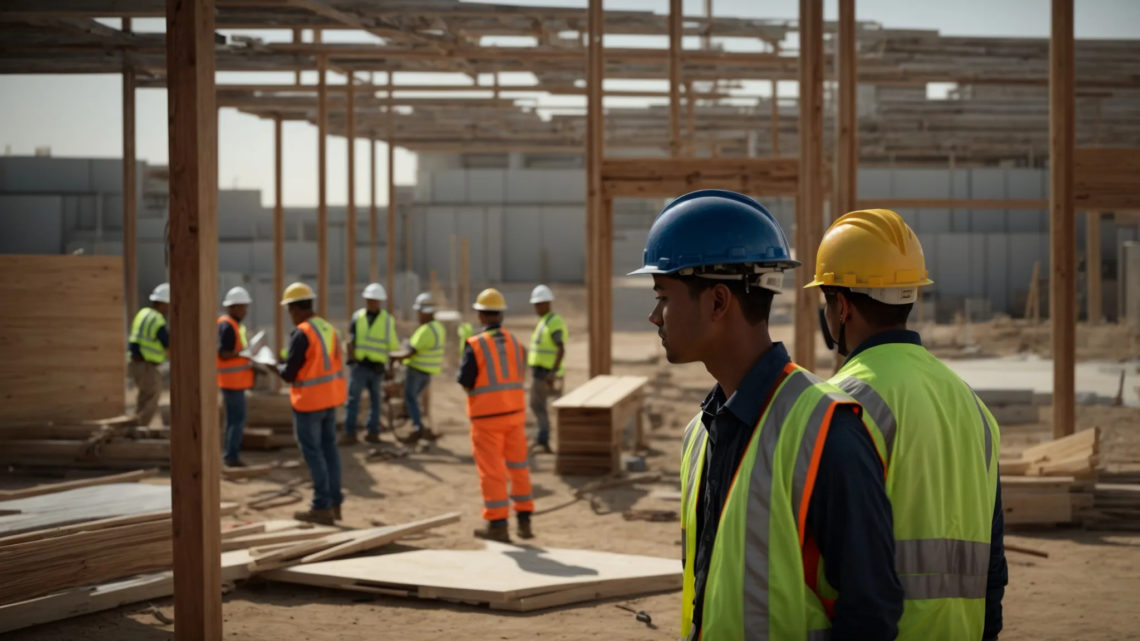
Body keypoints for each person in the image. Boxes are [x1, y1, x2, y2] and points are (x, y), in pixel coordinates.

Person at [630, 190, 903, 640]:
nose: (654, 316)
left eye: (663, 296)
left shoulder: (827, 431)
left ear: (718, 302)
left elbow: (870, 614)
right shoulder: (701, 433)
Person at [805, 208, 1006, 641]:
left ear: (841, 306)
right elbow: (993, 569)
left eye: (826, 299)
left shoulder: (840, 407)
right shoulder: (973, 407)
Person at [457, 288, 535, 543]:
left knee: (492, 472)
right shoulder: (515, 342)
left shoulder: (476, 345)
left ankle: (498, 525)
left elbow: (466, 380)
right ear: (500, 314)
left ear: (480, 315)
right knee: (519, 467)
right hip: (514, 414)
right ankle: (525, 522)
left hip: (486, 419)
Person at [276, 282, 347, 525]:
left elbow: (289, 374)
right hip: (330, 400)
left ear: (295, 308)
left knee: (314, 453)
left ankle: (321, 506)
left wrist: (272, 366)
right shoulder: (328, 328)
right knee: (330, 451)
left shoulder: (302, 333)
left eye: (289, 310)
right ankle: (334, 503)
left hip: (309, 403)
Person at [344, 282, 399, 444]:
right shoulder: (357, 317)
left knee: (376, 402)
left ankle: (373, 432)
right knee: (354, 400)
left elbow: (392, 346)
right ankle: (350, 433)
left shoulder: (388, 320)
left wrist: (390, 368)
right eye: (369, 300)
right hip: (360, 366)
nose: (371, 303)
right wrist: (351, 359)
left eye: (374, 300)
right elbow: (351, 340)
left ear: (380, 302)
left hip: (377, 368)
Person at [396, 293, 445, 444]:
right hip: (427, 371)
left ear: (425, 312)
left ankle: (418, 428)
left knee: (410, 398)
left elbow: (411, 351)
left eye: (419, 312)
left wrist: (395, 357)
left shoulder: (426, 330)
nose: (418, 315)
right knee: (413, 399)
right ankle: (417, 425)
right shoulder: (438, 327)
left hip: (417, 369)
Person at [525, 284, 567, 454]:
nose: (536, 307)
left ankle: (543, 440)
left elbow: (561, 348)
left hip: (545, 373)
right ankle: (542, 438)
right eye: (535, 304)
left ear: (547, 303)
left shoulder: (553, 321)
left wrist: (552, 373)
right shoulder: (544, 321)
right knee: (538, 406)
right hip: (540, 371)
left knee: (538, 406)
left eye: (539, 303)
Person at [217, 286, 254, 467]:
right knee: (236, 420)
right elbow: (224, 353)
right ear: (232, 307)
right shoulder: (228, 326)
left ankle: (230, 453)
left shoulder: (233, 325)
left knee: (234, 420)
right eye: (242, 307)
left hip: (234, 381)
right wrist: (244, 354)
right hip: (232, 382)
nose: (245, 311)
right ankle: (231, 456)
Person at [128, 282, 170, 427]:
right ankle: (139, 428)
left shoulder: (143, 313)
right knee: (152, 398)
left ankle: (134, 426)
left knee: (143, 398)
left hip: (134, 363)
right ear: (163, 303)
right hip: (147, 366)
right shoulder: (158, 319)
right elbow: (167, 344)